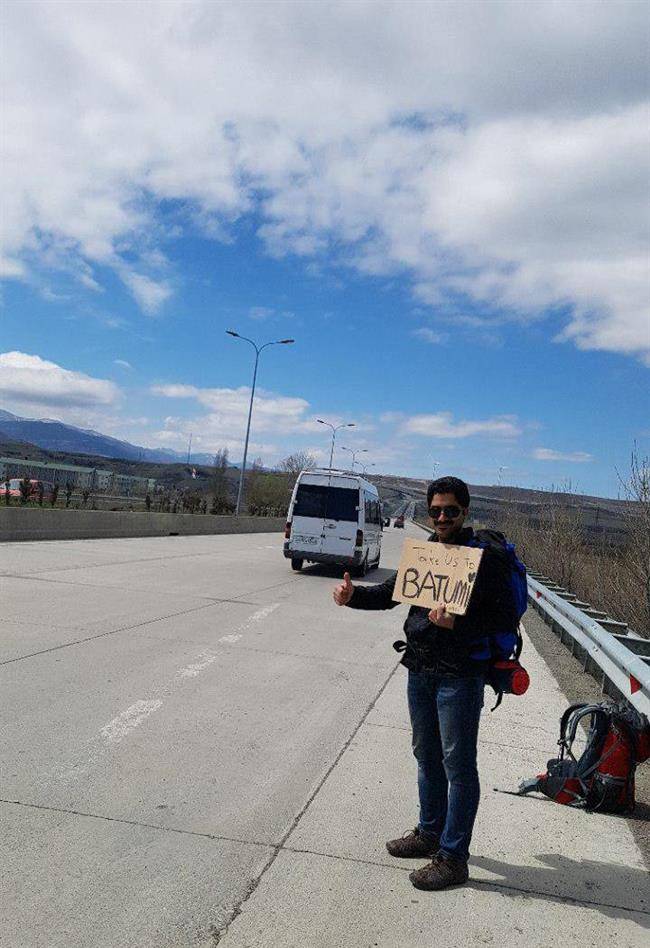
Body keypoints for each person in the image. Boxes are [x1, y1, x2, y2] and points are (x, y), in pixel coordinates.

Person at [332, 476, 517, 891]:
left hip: (460, 675)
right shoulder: (428, 551)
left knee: (459, 766)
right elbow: (389, 593)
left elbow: (504, 617)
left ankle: (453, 858)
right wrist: (352, 596)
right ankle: (429, 832)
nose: (442, 517)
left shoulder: (482, 559)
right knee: (426, 755)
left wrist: (460, 622)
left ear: (465, 512)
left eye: (450, 510)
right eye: (435, 510)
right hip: (420, 667)